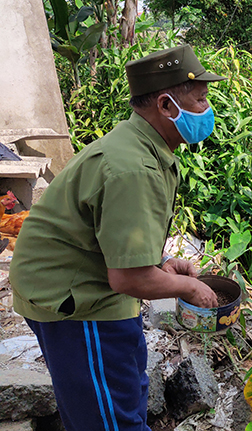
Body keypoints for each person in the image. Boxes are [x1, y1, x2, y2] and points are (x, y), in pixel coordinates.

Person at [9, 44, 224, 431]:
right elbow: (127, 279)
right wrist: (188, 290)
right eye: (201, 100)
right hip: (73, 297)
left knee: (115, 392)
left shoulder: (140, 144)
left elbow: (115, 240)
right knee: (109, 419)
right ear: (165, 105)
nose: (206, 111)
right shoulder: (133, 168)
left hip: (77, 277)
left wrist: (159, 266)